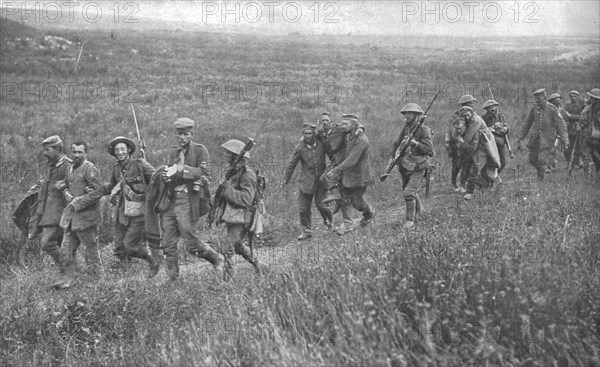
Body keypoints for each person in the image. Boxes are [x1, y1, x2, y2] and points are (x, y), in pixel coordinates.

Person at [160, 117, 224, 282]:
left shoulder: (200, 151)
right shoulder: (173, 152)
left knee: (191, 243)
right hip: (170, 200)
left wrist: (181, 170)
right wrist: (166, 176)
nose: (182, 138)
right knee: (167, 243)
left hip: (189, 200)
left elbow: (204, 174)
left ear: (192, 134)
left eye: (186, 134)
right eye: (179, 134)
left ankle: (216, 258)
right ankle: (172, 278)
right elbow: (169, 172)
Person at [103, 136, 158, 277]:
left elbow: (156, 179)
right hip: (123, 211)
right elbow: (111, 186)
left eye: (122, 149)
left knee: (130, 246)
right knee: (119, 248)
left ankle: (153, 259)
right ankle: (127, 275)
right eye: (117, 150)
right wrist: (96, 189)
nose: (120, 152)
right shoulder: (116, 169)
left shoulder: (140, 164)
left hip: (140, 211)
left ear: (128, 150)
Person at [53, 141, 104, 289]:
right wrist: (64, 191)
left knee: (91, 250)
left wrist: (78, 202)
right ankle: (70, 280)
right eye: (74, 152)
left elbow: (98, 191)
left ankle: (98, 282)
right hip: (71, 219)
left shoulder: (90, 169)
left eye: (79, 152)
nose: (76, 155)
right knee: (66, 251)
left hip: (87, 219)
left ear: (85, 153)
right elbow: (68, 184)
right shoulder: (70, 168)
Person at [215, 139, 268, 281]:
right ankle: (259, 264)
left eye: (228, 153)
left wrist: (227, 189)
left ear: (235, 157)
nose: (225, 155)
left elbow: (246, 199)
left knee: (227, 248)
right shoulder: (233, 172)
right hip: (232, 214)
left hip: (243, 216)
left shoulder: (247, 175)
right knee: (237, 246)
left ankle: (228, 283)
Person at [25, 136, 72, 269]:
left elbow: (72, 187)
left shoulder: (68, 166)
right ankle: (67, 271)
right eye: (44, 150)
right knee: (60, 243)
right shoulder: (52, 165)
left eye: (48, 150)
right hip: (48, 211)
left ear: (58, 149)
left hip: (60, 212)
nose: (45, 153)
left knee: (46, 243)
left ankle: (65, 267)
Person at [386, 103, 434, 229]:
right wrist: (392, 157)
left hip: (419, 166)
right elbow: (396, 142)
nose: (406, 116)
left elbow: (430, 150)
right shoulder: (406, 128)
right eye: (405, 113)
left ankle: (409, 222)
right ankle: (419, 213)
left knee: (408, 193)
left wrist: (415, 143)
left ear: (417, 116)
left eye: (409, 113)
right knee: (409, 191)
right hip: (405, 165)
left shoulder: (424, 130)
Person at [282, 123, 333, 240]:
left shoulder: (321, 144)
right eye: (305, 133)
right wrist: (285, 180)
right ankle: (306, 230)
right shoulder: (300, 148)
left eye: (310, 133)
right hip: (306, 182)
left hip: (321, 181)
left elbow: (332, 156)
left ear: (314, 134)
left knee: (322, 204)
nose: (308, 136)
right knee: (304, 208)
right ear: (302, 134)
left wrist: (333, 170)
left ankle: (329, 221)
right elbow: (291, 164)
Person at [322, 114, 375, 227]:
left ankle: (369, 212)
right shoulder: (349, 133)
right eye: (343, 123)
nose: (343, 126)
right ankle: (347, 222)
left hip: (359, 175)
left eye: (346, 124)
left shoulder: (361, 140)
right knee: (343, 195)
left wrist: (337, 170)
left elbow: (352, 160)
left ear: (353, 125)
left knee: (357, 202)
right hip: (347, 172)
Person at [517, 89, 569, 181]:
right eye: (536, 99)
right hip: (535, 138)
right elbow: (528, 123)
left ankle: (540, 179)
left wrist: (565, 139)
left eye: (539, 98)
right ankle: (541, 171)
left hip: (548, 139)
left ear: (544, 97)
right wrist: (521, 137)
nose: (537, 100)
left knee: (541, 160)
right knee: (532, 160)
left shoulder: (552, 109)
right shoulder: (534, 109)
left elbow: (561, 124)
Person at [445, 94, 477, 192]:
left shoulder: (472, 113)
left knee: (466, 163)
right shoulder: (456, 115)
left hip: (466, 142)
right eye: (471, 103)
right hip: (455, 142)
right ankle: (453, 183)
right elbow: (449, 129)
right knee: (456, 164)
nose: (472, 105)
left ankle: (463, 184)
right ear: (466, 103)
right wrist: (448, 142)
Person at [455, 106, 487, 200]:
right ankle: (462, 186)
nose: (466, 117)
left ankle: (470, 192)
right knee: (465, 167)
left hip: (479, 151)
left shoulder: (475, 127)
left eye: (468, 115)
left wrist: (461, 142)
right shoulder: (466, 127)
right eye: (464, 116)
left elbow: (471, 148)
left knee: (474, 171)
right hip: (470, 152)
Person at [481, 99, 510, 174]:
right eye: (491, 107)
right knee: (491, 161)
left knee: (502, 162)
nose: (493, 109)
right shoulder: (483, 118)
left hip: (500, 142)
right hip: (490, 143)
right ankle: (488, 177)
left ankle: (496, 176)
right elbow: (481, 130)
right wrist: (491, 129)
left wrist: (505, 129)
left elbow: (506, 126)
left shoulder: (500, 116)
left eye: (494, 106)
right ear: (487, 109)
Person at [563, 90, 586, 167]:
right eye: (571, 96)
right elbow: (564, 116)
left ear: (578, 97)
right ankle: (568, 162)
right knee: (568, 147)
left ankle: (577, 162)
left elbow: (584, 117)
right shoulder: (567, 106)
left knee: (579, 146)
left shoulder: (582, 105)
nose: (573, 98)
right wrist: (568, 120)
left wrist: (572, 116)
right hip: (570, 129)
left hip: (580, 128)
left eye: (575, 96)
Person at [580, 88, 600, 175]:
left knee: (596, 156)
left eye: (592, 97)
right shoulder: (588, 109)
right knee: (587, 156)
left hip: (597, 137)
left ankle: (596, 173)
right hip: (588, 136)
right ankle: (587, 176)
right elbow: (583, 121)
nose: (590, 99)